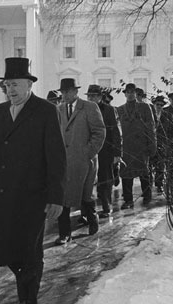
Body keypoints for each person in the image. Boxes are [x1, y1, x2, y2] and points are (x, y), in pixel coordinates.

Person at [0, 57, 66, 304]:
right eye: (7, 85)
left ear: (29, 85)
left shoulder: (45, 111)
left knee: (31, 250)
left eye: (16, 84)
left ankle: (31, 300)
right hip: (4, 194)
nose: (11, 90)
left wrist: (56, 197)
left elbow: (56, 156)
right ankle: (24, 281)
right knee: (8, 250)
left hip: (34, 195)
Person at [55, 78, 105, 244]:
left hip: (85, 161)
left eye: (68, 91)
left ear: (76, 92)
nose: (64, 95)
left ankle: (93, 220)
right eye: (62, 92)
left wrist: (87, 153)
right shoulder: (59, 109)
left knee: (86, 195)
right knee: (63, 197)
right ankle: (64, 233)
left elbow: (99, 132)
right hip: (64, 162)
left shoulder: (89, 107)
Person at [116, 83, 156, 209]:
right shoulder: (120, 109)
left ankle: (147, 196)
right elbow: (117, 130)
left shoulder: (145, 107)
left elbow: (151, 127)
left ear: (136, 93)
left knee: (144, 171)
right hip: (127, 147)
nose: (130, 94)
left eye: (132, 92)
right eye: (128, 92)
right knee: (126, 173)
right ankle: (128, 200)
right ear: (125, 94)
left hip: (141, 146)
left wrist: (152, 145)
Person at [85, 85, 122, 218]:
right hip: (88, 151)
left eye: (94, 96)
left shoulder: (109, 110)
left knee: (105, 181)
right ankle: (86, 213)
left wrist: (117, 153)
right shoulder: (84, 109)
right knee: (87, 181)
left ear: (100, 97)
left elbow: (116, 132)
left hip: (106, 151)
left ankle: (107, 208)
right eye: (89, 96)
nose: (91, 98)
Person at [151, 96, 173, 193]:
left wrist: (169, 141)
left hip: (163, 144)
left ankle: (159, 184)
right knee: (149, 165)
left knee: (160, 164)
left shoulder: (168, 115)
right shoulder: (149, 114)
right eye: (157, 104)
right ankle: (148, 182)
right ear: (154, 104)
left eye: (161, 105)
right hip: (151, 143)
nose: (159, 106)